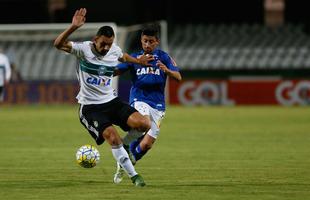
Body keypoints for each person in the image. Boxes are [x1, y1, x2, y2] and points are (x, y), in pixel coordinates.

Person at [53, 8, 154, 187]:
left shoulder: (113, 50)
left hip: (111, 102)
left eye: (109, 44)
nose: (106, 48)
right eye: (103, 44)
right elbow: (58, 44)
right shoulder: (83, 50)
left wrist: (138, 61)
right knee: (112, 137)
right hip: (90, 108)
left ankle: (122, 150)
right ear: (95, 40)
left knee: (144, 124)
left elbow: (122, 56)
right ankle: (134, 176)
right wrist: (73, 27)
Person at [113, 24, 182, 184]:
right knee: (143, 123)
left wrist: (167, 71)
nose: (147, 45)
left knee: (147, 145)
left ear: (157, 42)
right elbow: (116, 71)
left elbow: (178, 77)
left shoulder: (164, 57)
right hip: (139, 99)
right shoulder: (135, 58)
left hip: (158, 104)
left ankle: (124, 161)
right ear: (141, 41)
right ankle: (122, 148)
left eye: (151, 41)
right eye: (145, 41)